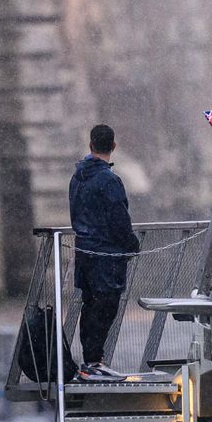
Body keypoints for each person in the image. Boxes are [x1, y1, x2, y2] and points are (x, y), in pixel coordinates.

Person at [70, 124, 139, 381]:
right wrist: (131, 244)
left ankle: (89, 363)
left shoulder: (77, 177)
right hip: (105, 255)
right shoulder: (109, 180)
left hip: (83, 251)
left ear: (90, 146)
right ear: (114, 146)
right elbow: (118, 218)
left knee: (90, 307)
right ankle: (94, 363)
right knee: (105, 307)